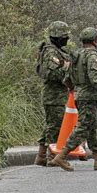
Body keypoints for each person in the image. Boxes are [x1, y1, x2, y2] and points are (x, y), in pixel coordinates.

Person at [53, 27, 97, 171]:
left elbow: (66, 78)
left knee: (93, 126)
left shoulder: (76, 55)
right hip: (90, 96)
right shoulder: (92, 55)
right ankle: (62, 155)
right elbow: (95, 78)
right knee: (83, 127)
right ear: (95, 40)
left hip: (79, 95)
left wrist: (73, 89)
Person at [34, 21, 71, 166]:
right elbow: (51, 74)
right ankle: (52, 156)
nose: (66, 39)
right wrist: (67, 69)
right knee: (55, 126)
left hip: (58, 95)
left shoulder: (57, 51)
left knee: (52, 125)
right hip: (53, 96)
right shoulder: (51, 52)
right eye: (64, 36)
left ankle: (41, 156)